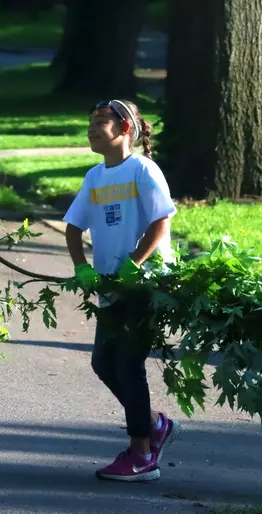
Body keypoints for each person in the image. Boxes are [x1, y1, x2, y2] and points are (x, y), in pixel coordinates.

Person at [62, 99, 180, 482]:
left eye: (101, 122)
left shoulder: (142, 170)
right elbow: (73, 227)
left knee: (128, 362)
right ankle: (153, 425)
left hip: (146, 284)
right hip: (112, 285)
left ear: (125, 128)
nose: (93, 129)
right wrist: (81, 266)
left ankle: (143, 455)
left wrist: (136, 263)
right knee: (103, 362)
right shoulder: (96, 177)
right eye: (90, 122)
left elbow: (160, 224)